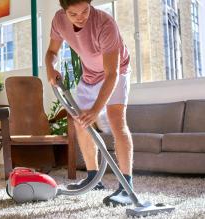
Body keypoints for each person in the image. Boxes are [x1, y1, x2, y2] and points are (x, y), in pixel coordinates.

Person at [45, 0, 134, 207]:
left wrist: (96, 110)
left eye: (85, 10)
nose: (80, 17)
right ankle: (95, 178)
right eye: (73, 14)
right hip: (90, 74)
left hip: (116, 72)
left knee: (116, 121)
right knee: (80, 122)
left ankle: (126, 186)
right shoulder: (59, 20)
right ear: (64, 11)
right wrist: (50, 66)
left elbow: (111, 74)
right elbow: (52, 52)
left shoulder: (105, 24)